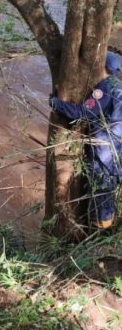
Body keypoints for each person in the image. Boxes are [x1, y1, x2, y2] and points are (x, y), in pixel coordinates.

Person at [49, 51, 122, 229]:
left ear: (101, 66)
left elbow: (82, 113)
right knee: (109, 187)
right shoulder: (119, 85)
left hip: (105, 147)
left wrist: (55, 103)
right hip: (117, 146)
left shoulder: (104, 88)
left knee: (101, 187)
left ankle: (100, 230)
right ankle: (105, 227)